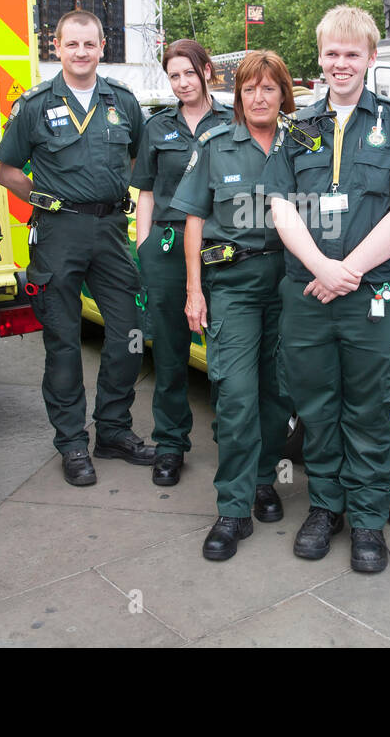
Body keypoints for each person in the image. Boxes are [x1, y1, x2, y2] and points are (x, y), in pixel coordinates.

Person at [264, 5, 390, 574]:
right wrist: (321, 267)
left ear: (369, 58)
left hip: (371, 296)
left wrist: (350, 271)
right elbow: (281, 207)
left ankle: (367, 521)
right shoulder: (298, 128)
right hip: (309, 295)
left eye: (352, 53)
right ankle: (325, 508)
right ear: (320, 58)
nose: (342, 63)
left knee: (367, 410)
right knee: (317, 408)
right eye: (332, 53)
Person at [0, 10, 154, 487]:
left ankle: (114, 430)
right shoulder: (35, 105)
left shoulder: (123, 103)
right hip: (58, 232)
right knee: (63, 342)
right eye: (72, 44)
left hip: (109, 231)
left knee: (128, 333)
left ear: (103, 47)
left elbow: (138, 163)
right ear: (57, 47)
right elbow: (6, 171)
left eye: (90, 44)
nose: (81, 52)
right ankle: (71, 443)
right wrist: (44, 200)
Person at [169, 50, 297, 560]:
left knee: (278, 393)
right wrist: (194, 290)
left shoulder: (303, 144)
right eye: (249, 89)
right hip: (234, 284)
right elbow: (194, 219)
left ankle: (264, 480)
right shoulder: (216, 144)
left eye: (269, 88)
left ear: (283, 93)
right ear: (238, 96)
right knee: (238, 395)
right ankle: (233, 507)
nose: (259, 97)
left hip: (291, 283)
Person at [131, 39, 230, 487]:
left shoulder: (232, 120)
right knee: (170, 352)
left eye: (189, 72)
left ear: (207, 71)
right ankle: (170, 443)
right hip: (168, 247)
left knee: (227, 353)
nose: (183, 82)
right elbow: (147, 192)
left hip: (221, 246)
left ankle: (233, 441)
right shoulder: (157, 127)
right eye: (174, 75)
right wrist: (145, 246)